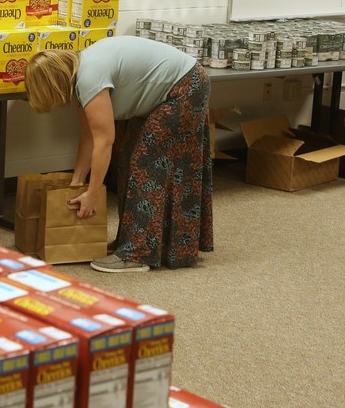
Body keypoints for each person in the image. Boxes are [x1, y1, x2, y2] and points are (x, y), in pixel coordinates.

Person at [24, 35, 214, 273]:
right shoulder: (82, 72)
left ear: (53, 84)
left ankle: (138, 253)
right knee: (127, 159)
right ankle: (131, 239)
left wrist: (92, 194)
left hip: (186, 87)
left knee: (145, 165)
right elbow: (88, 136)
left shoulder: (89, 77)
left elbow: (104, 142)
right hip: (174, 87)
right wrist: (77, 182)